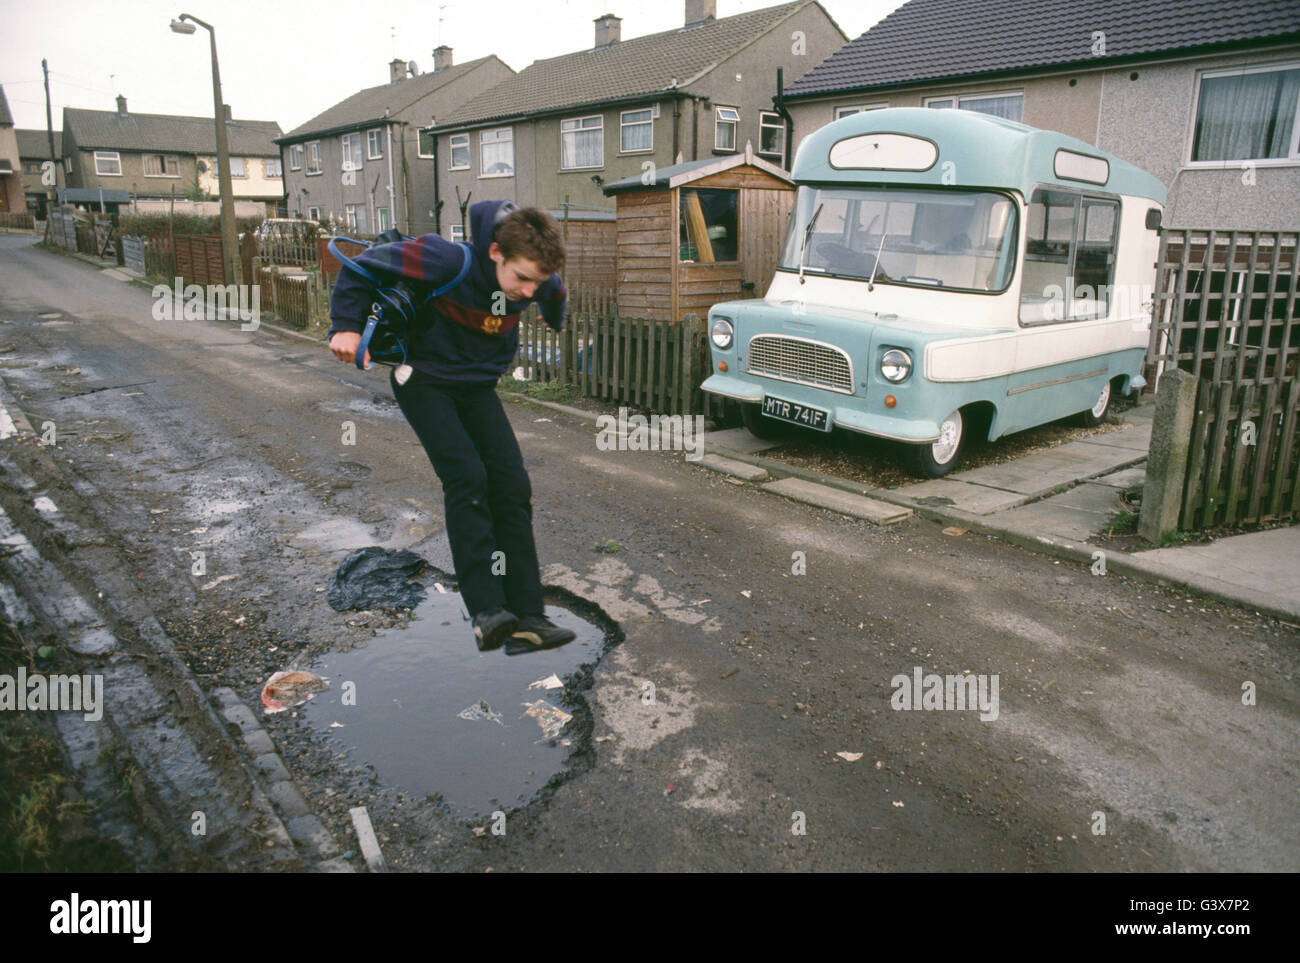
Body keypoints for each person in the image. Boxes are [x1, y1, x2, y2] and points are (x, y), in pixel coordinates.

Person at [327, 201, 577, 655]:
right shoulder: (446, 259)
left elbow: (554, 292)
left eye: (536, 282)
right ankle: (487, 612)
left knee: (511, 486)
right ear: (495, 252)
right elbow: (362, 266)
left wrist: (554, 315)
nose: (528, 291)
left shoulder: (539, 278)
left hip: (476, 386)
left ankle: (529, 619)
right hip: (424, 379)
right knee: (467, 478)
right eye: (522, 278)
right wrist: (344, 327)